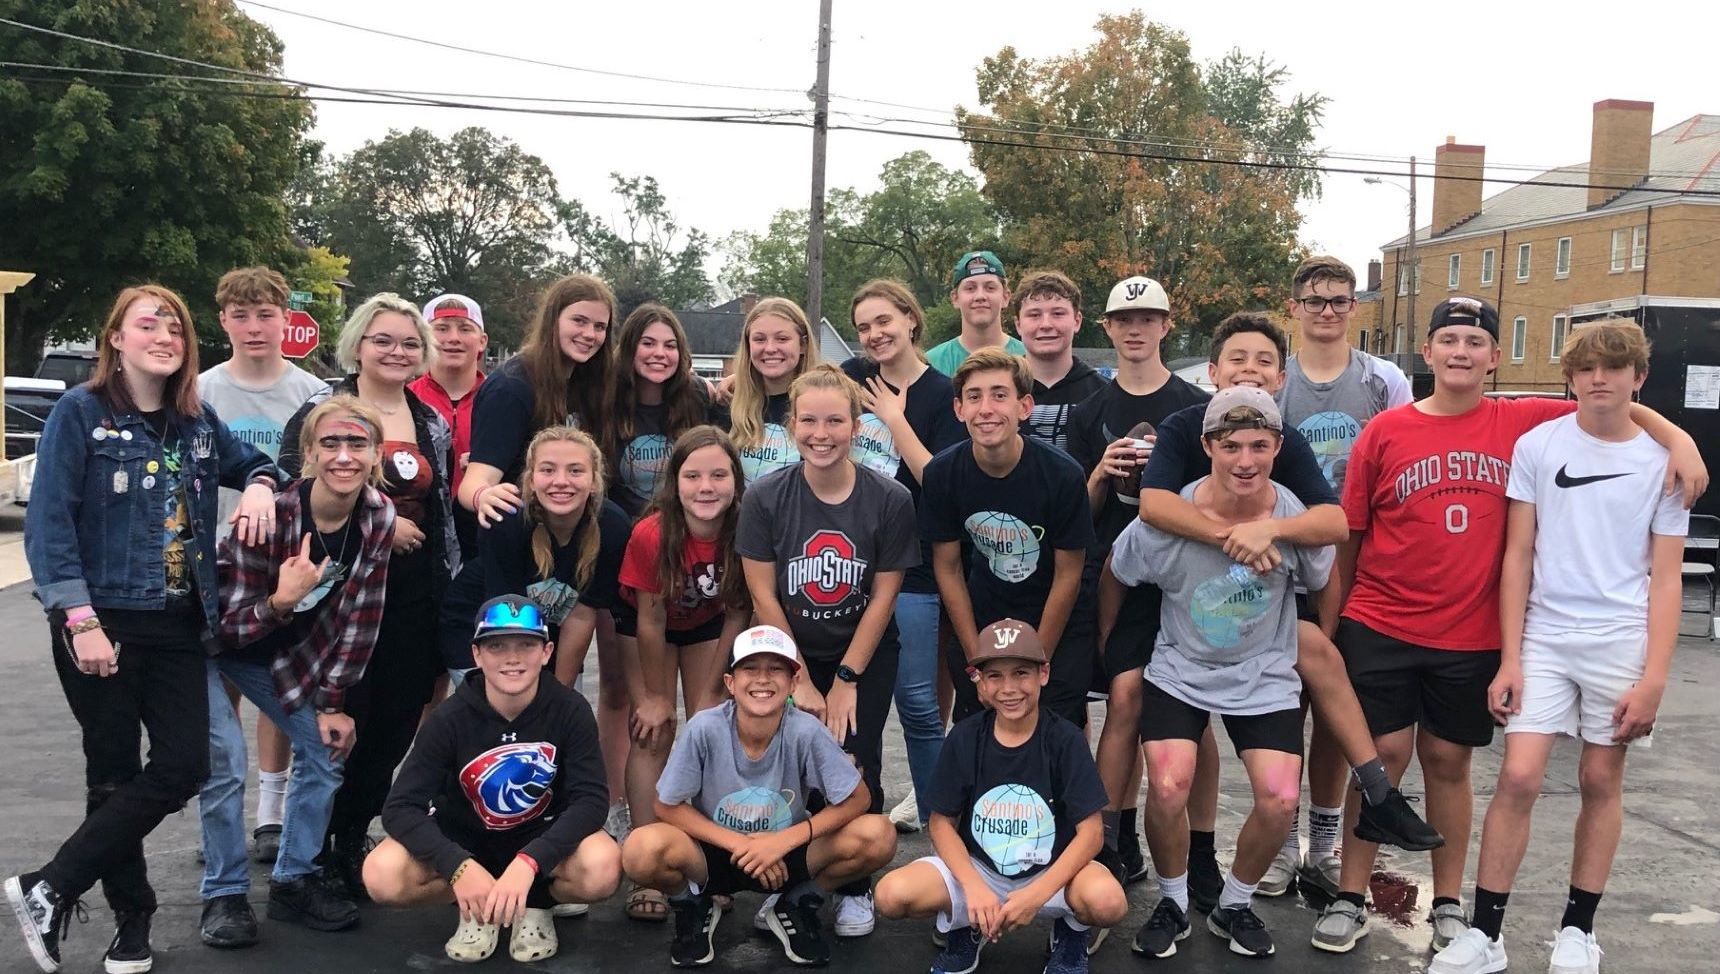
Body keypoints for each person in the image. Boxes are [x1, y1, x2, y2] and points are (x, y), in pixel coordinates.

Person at [1315, 296, 1706, 955]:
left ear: (1496, 359)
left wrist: (1680, 438)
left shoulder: (1523, 422)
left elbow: (1610, 398)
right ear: (1428, 351)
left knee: (1448, 761)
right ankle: (1351, 894)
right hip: (1381, 619)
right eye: (1449, 339)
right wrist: (1334, 626)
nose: (1461, 351)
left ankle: (1447, 902)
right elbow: (1350, 538)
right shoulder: (1386, 431)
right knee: (1379, 761)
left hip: (1471, 631)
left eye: (1475, 340)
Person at [1132, 312, 1441, 917]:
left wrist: (1268, 528)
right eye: (1237, 359)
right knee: (1135, 709)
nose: (1250, 369)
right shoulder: (1183, 426)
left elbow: (1331, 523)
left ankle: (1365, 801)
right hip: (1185, 596)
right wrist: (1233, 536)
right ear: (1212, 371)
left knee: (1322, 657)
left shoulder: (1283, 438)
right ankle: (1122, 836)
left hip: (1263, 598)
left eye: (1264, 361)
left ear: (1281, 377)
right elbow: (1152, 504)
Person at [10, 285, 280, 974]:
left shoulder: (195, 422)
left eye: (176, 329)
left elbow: (253, 465)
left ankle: (50, 885)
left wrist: (256, 484)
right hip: (101, 623)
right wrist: (80, 620)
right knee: (113, 774)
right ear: (116, 339)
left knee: (186, 763)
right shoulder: (81, 413)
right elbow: (48, 530)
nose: (164, 335)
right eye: (147, 324)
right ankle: (132, 923)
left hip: (180, 626)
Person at [1428, 321, 1687, 974]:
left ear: (1639, 377)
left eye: (1615, 367)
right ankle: (1486, 935)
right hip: (1544, 637)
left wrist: (1655, 677)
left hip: (1621, 640)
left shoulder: (1666, 465)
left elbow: (1667, 578)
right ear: (1568, 378)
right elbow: (1516, 555)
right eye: (1587, 368)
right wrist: (1510, 656)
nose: (1600, 378)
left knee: (1601, 778)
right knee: (1517, 777)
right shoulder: (1540, 445)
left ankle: (1578, 930)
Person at [1110, 386, 1336, 959]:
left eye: (1259, 445)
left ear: (1279, 446)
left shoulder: (1294, 518)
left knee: (1281, 798)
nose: (1245, 461)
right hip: (1181, 665)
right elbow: (1117, 570)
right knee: (1166, 782)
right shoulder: (1170, 518)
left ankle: (1234, 903)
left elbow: (1324, 576)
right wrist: (1109, 650)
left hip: (1261, 671)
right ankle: (1173, 900)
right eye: (1231, 445)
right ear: (1208, 445)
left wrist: (1323, 642)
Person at [279, 293, 461, 898]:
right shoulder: (321, 409)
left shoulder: (430, 419)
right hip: (340, 599)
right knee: (337, 728)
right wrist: (378, 517)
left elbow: (441, 517)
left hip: (413, 601)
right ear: (358, 344)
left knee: (392, 727)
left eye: (410, 343)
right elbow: (295, 489)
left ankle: (351, 839)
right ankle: (309, 856)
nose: (397, 351)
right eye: (383, 339)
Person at [197, 397, 396, 949]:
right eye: (330, 444)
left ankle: (294, 879)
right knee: (225, 764)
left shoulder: (377, 517)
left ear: (376, 454)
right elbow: (226, 628)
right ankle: (225, 892)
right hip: (213, 647)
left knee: (326, 750)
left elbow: (361, 618)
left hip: (284, 657)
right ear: (308, 453)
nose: (344, 456)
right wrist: (281, 602)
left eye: (357, 444)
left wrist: (333, 702)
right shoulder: (272, 517)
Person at [737, 364, 920, 938]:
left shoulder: (888, 499)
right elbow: (763, 593)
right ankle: (794, 887)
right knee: (791, 764)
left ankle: (854, 885)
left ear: (856, 425)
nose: (822, 432)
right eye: (809, 420)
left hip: (861, 651)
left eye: (835, 420)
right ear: (791, 425)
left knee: (852, 757)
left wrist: (846, 678)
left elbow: (883, 597)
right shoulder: (766, 496)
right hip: (790, 652)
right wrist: (801, 679)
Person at [1264, 255, 1412, 899]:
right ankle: (1278, 836)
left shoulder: (1383, 380)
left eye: (1340, 300)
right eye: (1315, 299)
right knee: (1279, 708)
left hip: (1358, 569)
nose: (1327, 310)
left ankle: (1324, 839)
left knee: (1334, 712)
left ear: (1355, 307)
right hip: (1282, 567)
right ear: (1293, 306)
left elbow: (1408, 460)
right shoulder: (1274, 383)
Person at [364, 595, 622, 964]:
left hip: (542, 843)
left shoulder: (569, 709)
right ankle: (477, 904)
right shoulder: (449, 718)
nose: (512, 658)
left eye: (526, 645)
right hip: (468, 841)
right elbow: (401, 807)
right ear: (476, 654)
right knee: (381, 874)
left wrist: (531, 863)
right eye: (497, 645)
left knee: (603, 866)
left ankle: (537, 903)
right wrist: (457, 866)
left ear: (547, 651)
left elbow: (591, 801)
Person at [458, 274, 628, 833]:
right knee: (503, 696)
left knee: (560, 693)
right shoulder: (514, 385)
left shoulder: (589, 383)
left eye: (600, 326)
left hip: (575, 553)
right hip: (512, 558)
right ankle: (484, 820)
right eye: (579, 320)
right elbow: (474, 478)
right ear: (553, 317)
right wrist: (486, 495)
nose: (590, 333)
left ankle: (563, 818)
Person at [621, 625, 898, 968]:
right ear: (730, 683)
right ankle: (692, 904)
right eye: (750, 669)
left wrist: (781, 842)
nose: (762, 680)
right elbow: (665, 803)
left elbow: (858, 798)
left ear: (794, 682)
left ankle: (797, 903)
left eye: (776, 669)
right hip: (714, 851)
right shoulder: (705, 728)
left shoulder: (806, 730)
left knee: (879, 834)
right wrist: (741, 844)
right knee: (640, 849)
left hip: (786, 852)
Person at [875, 619, 1126, 974]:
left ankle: (1071, 932)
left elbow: (1092, 833)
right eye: (995, 676)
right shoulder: (965, 737)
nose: (1009, 688)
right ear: (979, 681)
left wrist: (1036, 896)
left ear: (1044, 674)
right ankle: (966, 926)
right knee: (891, 894)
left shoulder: (1065, 739)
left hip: (1050, 870)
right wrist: (973, 886)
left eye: (1021, 673)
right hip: (981, 868)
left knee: (1108, 902)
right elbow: (941, 822)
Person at [1064, 276, 1208, 884]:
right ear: (1107, 327)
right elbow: (1074, 511)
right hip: (1115, 574)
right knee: (1123, 700)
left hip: (1183, 576)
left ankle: (1200, 849)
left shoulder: (1192, 406)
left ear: (1166, 325)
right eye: (1125, 319)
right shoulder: (1090, 409)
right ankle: (1113, 834)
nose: (1135, 329)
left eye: (1148, 318)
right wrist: (1101, 472)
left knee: (1195, 718)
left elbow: (1211, 497)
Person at [197, 266, 328, 868]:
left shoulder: (311, 393)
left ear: (287, 320)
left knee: (282, 687)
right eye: (241, 315)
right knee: (218, 705)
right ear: (223, 320)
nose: (254, 327)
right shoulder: (198, 392)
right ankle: (218, 822)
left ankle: (271, 814)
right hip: (210, 567)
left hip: (283, 565)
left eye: (266, 314)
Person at [839, 279, 966, 835]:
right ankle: (843, 823)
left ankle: (943, 828)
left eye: (884, 321)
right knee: (842, 702)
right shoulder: (849, 381)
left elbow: (938, 483)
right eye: (864, 327)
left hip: (912, 564)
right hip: (845, 561)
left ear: (912, 320)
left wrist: (894, 417)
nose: (875, 335)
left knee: (916, 701)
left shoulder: (943, 394)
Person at [920, 348, 1096, 728]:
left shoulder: (1063, 476)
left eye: (1000, 395)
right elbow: (947, 568)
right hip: (985, 614)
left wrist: (1036, 662)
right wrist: (976, 663)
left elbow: (1069, 573)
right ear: (959, 409)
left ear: (1025, 406)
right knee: (981, 732)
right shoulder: (942, 473)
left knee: (1056, 735)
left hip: (1055, 619)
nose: (986, 408)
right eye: (974, 396)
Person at [616, 426, 751, 921]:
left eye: (719, 475)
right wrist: (653, 695)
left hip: (708, 622)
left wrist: (714, 692)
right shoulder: (653, 533)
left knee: (710, 731)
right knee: (654, 731)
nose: (706, 487)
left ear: (737, 480)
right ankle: (647, 863)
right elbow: (650, 621)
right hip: (647, 627)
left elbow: (737, 612)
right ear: (674, 482)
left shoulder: (744, 528)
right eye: (692, 476)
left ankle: (706, 861)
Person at [439, 426, 629, 688]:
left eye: (575, 470)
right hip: (480, 623)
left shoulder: (613, 527)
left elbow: (582, 615)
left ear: (595, 482)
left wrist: (558, 695)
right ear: (530, 479)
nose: (561, 481)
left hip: (551, 631)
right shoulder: (505, 520)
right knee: (501, 714)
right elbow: (506, 613)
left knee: (555, 709)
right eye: (548, 470)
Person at [608, 303, 720, 517]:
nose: (660, 353)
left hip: (683, 526)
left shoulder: (699, 395)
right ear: (629, 348)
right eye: (648, 343)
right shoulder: (604, 400)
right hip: (624, 531)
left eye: (670, 346)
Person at [411, 292, 489, 560]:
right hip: (418, 536)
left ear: (482, 342)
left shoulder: (503, 399)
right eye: (441, 329)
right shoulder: (404, 399)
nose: (453, 338)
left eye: (465, 329)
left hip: (483, 535)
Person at [1011, 270, 1107, 451]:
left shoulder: (1103, 394)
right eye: (1034, 315)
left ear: (1077, 321)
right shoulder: (999, 392)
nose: (1046, 325)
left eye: (1057, 313)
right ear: (1018, 325)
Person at [729, 296, 820, 482]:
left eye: (782, 338)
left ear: (802, 345)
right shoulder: (727, 404)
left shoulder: (822, 406)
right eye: (759, 339)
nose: (770, 348)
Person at [925, 250, 1025, 377]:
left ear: (1005, 297)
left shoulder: (1028, 357)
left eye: (990, 288)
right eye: (970, 288)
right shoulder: (932, 364)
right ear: (955, 298)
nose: (980, 296)